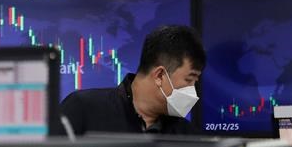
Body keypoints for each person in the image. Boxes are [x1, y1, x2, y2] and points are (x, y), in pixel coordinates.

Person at [59, 25, 205, 135]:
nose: (193, 91)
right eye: (189, 80)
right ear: (160, 76)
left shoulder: (187, 136)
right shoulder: (82, 109)